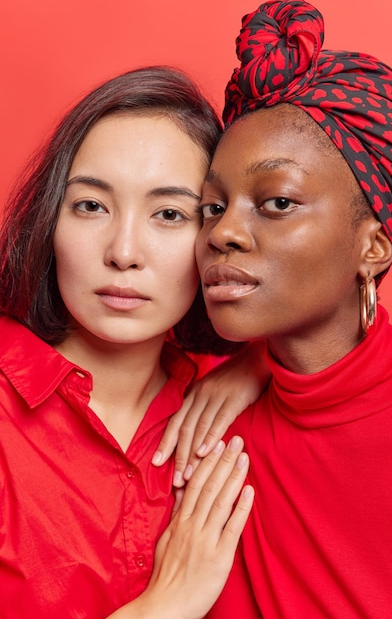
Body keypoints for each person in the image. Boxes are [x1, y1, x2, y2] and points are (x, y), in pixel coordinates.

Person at [0, 65, 261, 618]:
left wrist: (264, 359)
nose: (123, 251)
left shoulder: (229, 412)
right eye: (91, 205)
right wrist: (164, 607)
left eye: (169, 214)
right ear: (49, 219)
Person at [194, 0, 392, 618]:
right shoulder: (197, 422)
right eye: (212, 206)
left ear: (372, 245)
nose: (223, 233)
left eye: (277, 202)